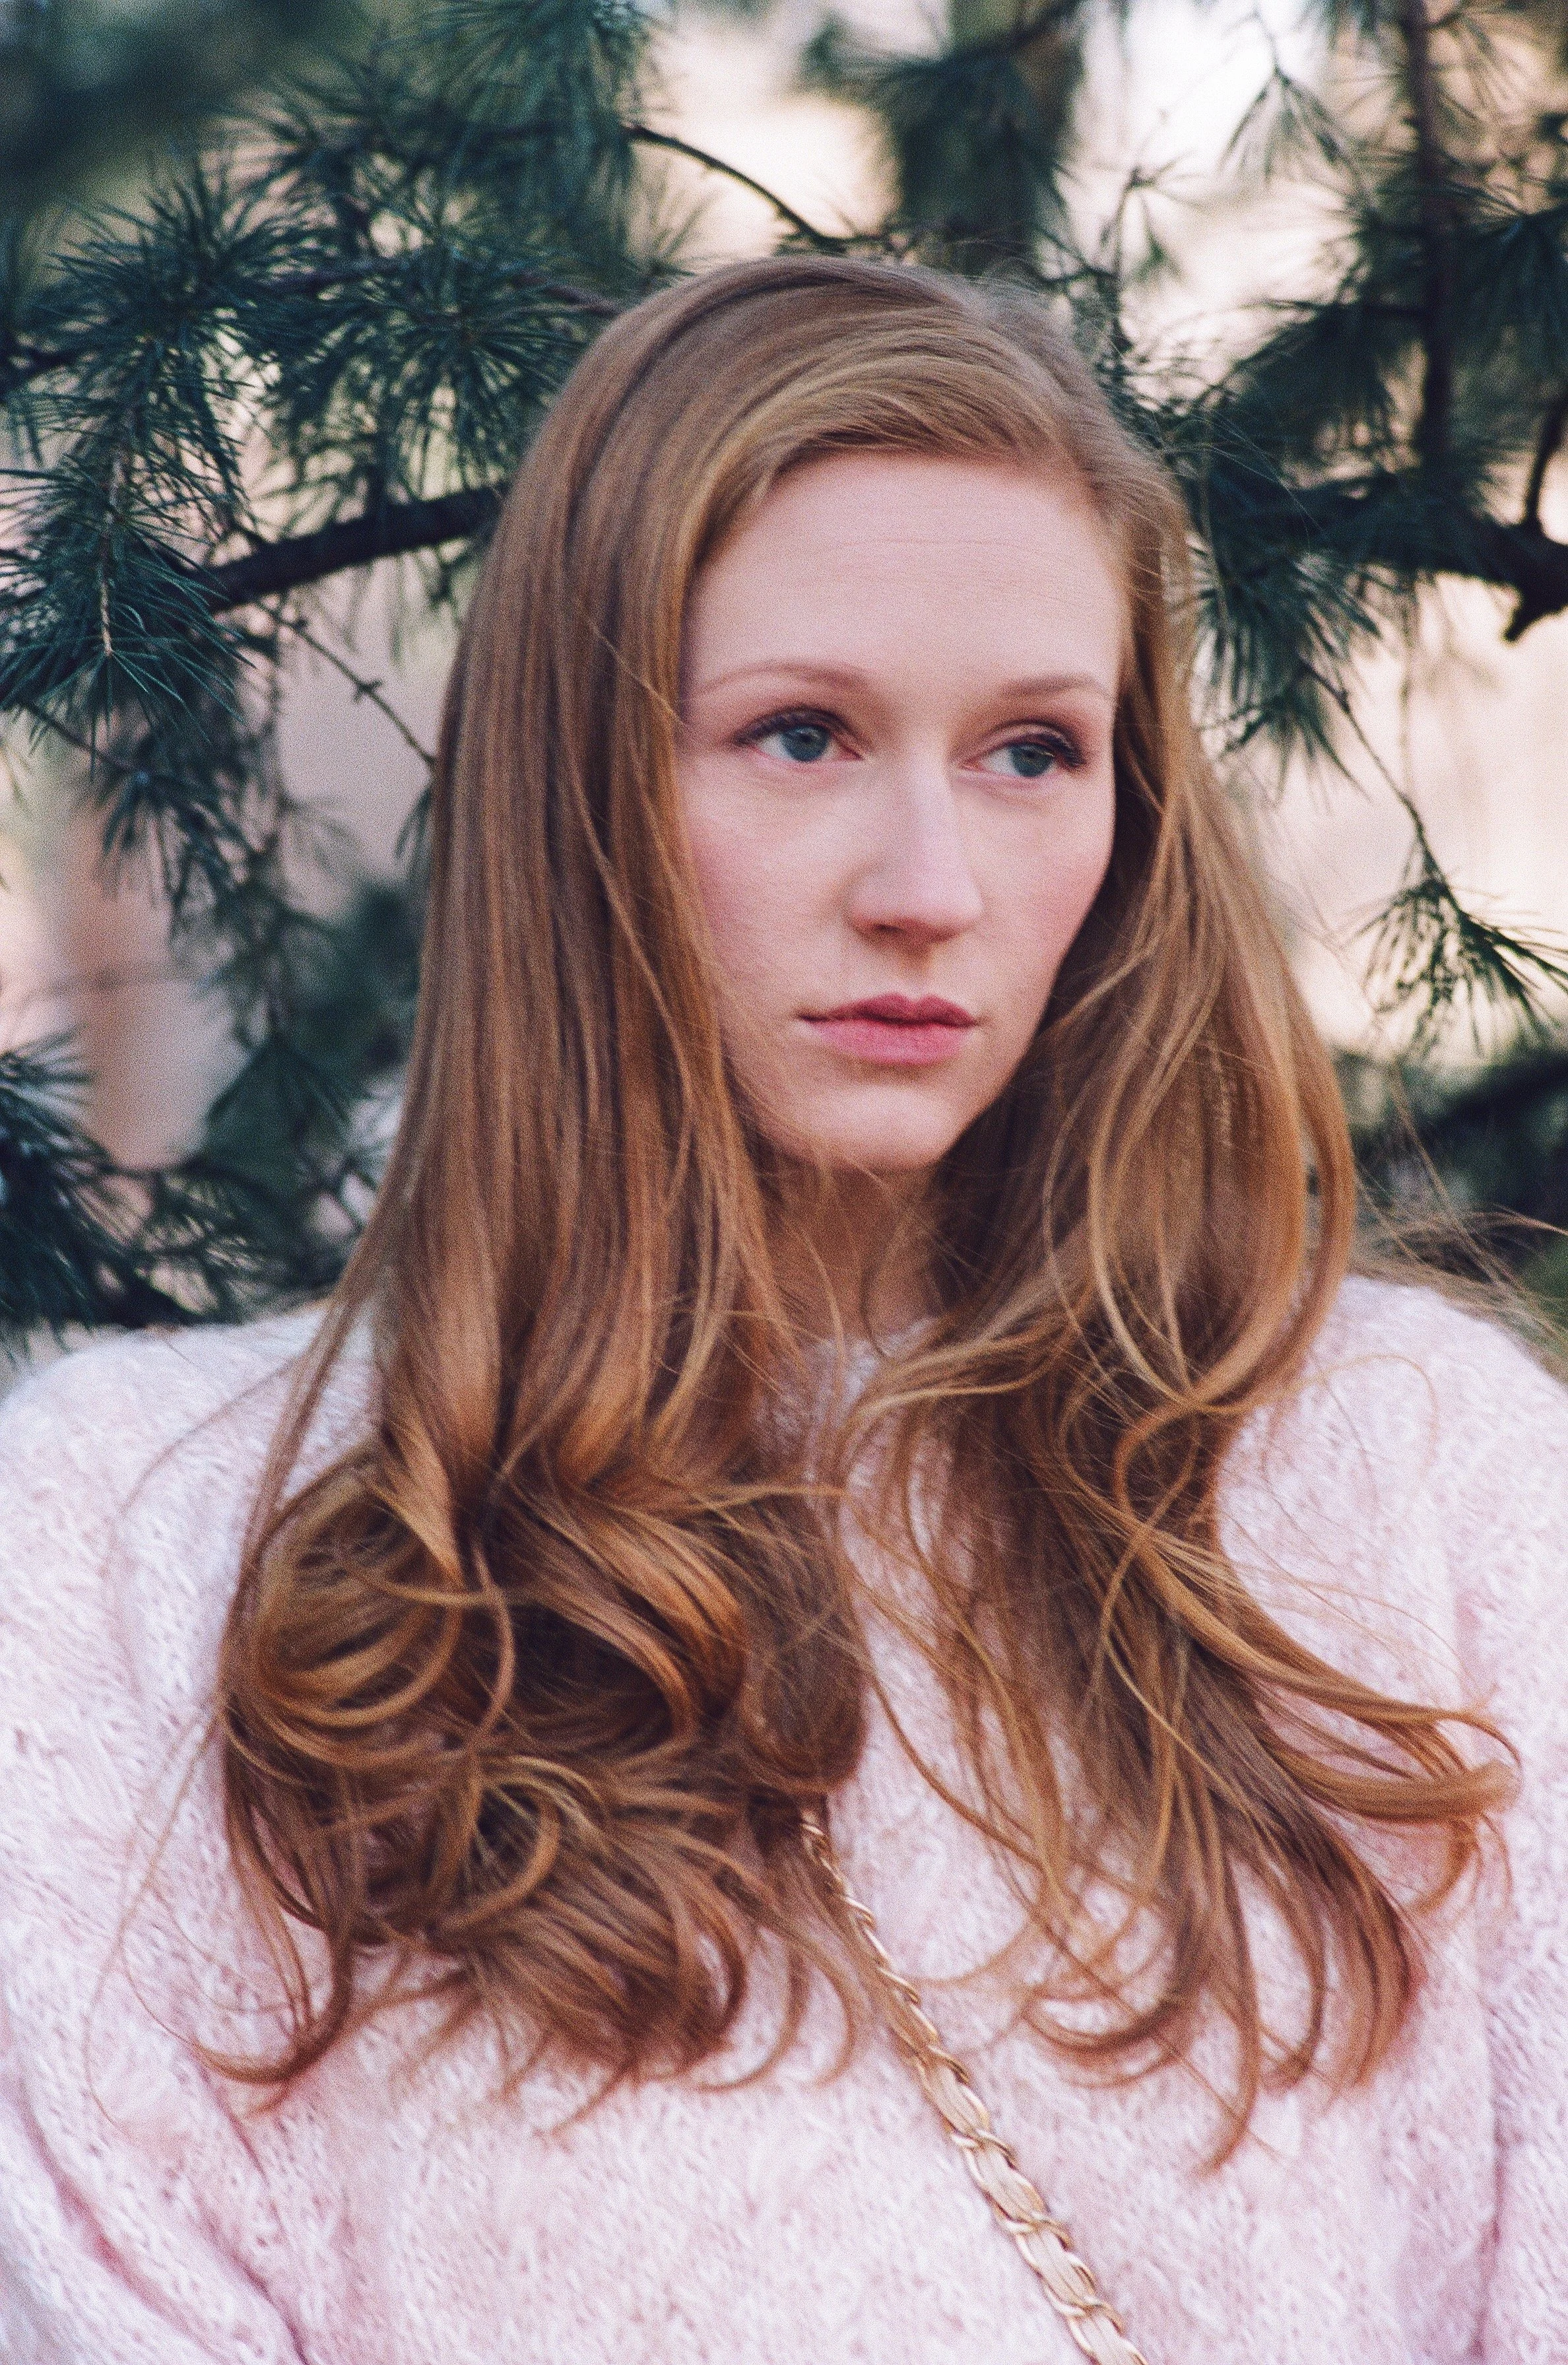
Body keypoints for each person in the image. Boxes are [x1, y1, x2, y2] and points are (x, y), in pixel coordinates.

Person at [0, 255, 1563, 2365]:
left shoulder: (1421, 1484)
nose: (927, 878)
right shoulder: (129, 1551)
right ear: (582, 792)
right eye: (800, 734)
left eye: (1032, 750)